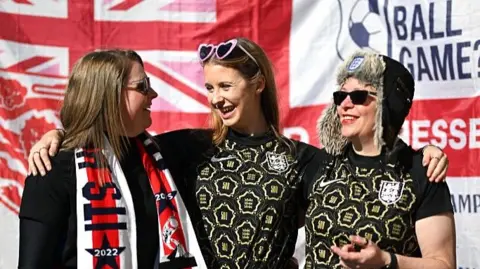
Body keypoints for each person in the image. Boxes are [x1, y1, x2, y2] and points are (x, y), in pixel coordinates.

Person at [26, 39, 449, 269]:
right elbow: (110, 136)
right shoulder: (186, 148)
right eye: (210, 88)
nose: (216, 100)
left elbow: (364, 167)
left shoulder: (305, 159)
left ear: (258, 84)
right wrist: (59, 136)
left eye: (226, 87)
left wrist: (422, 152)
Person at [18, 49, 206, 269]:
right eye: (142, 86)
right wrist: (61, 135)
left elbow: (233, 135)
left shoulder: (160, 157)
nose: (153, 94)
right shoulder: (53, 168)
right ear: (109, 96)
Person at [304, 50, 455, 269]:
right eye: (340, 95)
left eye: (358, 96)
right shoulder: (319, 165)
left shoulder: (422, 172)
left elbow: (443, 264)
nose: (345, 104)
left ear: (388, 105)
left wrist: (386, 261)